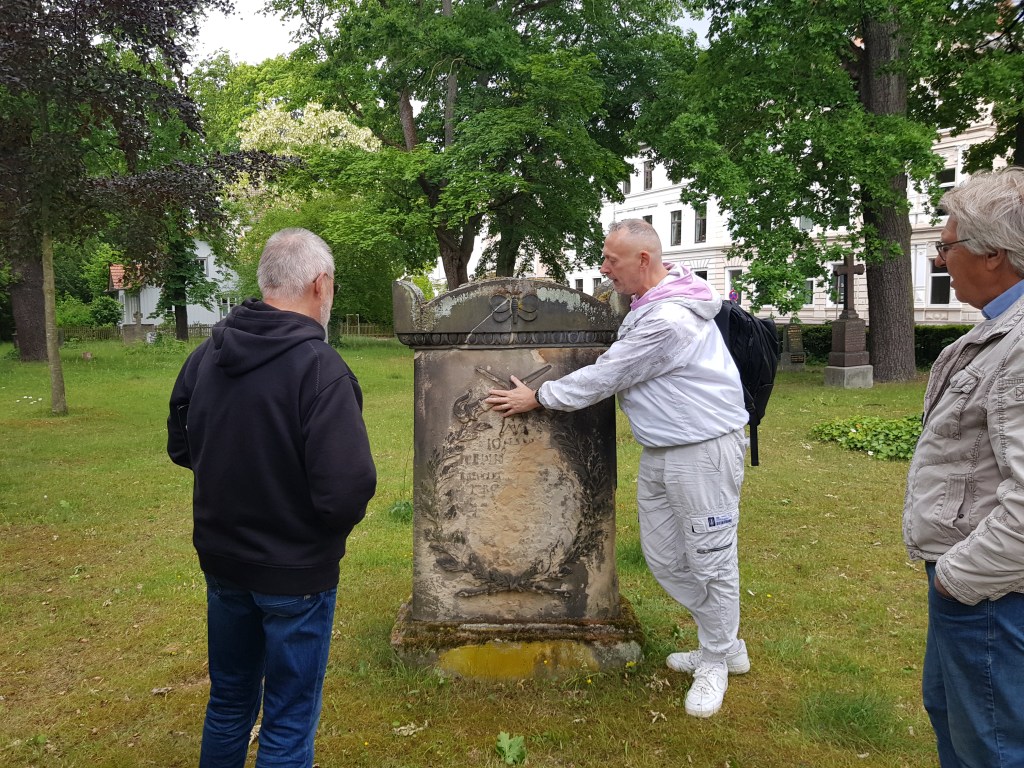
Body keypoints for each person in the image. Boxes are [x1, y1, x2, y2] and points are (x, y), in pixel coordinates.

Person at [484, 218, 749, 718]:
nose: (604, 269)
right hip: (664, 448)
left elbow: (611, 372)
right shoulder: (651, 303)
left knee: (710, 558)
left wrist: (538, 396)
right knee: (665, 556)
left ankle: (717, 657)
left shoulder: (667, 319)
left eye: (611, 260)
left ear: (643, 261)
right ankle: (723, 638)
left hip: (702, 452)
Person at [167, 228, 377, 768]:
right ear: (319, 284)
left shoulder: (205, 357)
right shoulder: (319, 368)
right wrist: (319, 534)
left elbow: (184, 444)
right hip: (294, 572)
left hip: (224, 557)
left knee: (230, 699)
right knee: (287, 715)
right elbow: (347, 487)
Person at [903, 167, 1024, 768]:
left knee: (991, 747)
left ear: (995, 255)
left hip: (992, 592)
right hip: (976, 585)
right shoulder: (997, 334)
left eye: (946, 245)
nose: (942, 259)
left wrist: (958, 578)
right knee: (955, 720)